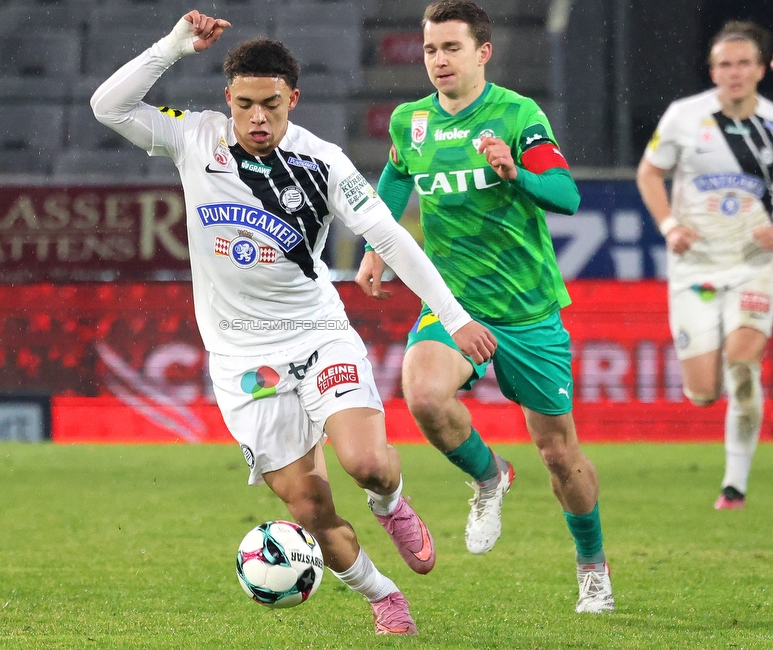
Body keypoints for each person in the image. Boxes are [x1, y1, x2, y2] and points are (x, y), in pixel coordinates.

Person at [92, 9, 498, 636]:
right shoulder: (193, 137)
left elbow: (389, 235)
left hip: (317, 336)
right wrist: (174, 46)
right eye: (247, 104)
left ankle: (390, 503)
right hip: (242, 362)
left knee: (367, 463)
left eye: (273, 106)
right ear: (227, 98)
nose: (259, 119)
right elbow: (107, 105)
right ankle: (382, 595)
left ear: (293, 100)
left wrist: (454, 316)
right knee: (308, 506)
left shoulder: (323, 161)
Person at [355, 0, 614, 614]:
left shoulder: (517, 116)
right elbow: (394, 178)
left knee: (558, 452)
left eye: (451, 48)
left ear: (482, 53)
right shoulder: (410, 122)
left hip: (527, 310)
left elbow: (567, 195)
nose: (438, 61)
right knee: (422, 395)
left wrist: (516, 172)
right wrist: (377, 244)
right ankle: (489, 475)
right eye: (429, 50)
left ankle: (592, 565)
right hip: (455, 302)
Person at [636, 21, 773, 510]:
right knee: (702, 392)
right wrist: (670, 225)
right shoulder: (684, 117)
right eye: (724, 64)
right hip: (695, 269)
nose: (733, 73)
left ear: (762, 68)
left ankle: (733, 487)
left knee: (742, 364)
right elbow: (650, 172)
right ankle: (713, 390)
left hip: (757, 264)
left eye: (743, 63)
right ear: (713, 70)